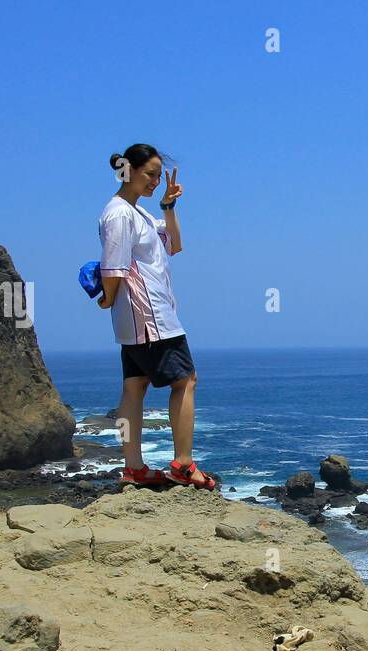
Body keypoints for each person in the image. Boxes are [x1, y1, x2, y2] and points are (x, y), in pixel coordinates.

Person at [98, 143, 215, 489]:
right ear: (128, 171)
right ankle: (182, 463)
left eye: (157, 176)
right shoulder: (119, 213)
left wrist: (168, 207)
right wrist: (107, 299)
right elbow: (113, 265)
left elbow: (175, 245)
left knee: (134, 387)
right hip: (150, 317)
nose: (154, 181)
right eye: (149, 174)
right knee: (186, 380)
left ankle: (134, 467)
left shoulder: (142, 214)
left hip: (137, 319)